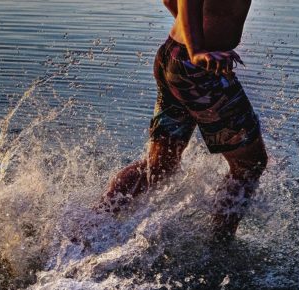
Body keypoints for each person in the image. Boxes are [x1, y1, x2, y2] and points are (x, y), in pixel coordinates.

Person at [99, 0, 268, 241]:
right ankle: (219, 246)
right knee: (250, 163)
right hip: (197, 70)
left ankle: (93, 222)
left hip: (174, 56)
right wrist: (198, 49)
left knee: (160, 165)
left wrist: (195, 42)